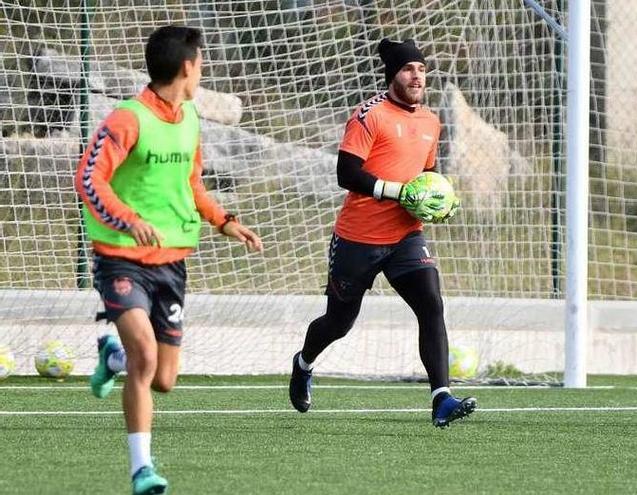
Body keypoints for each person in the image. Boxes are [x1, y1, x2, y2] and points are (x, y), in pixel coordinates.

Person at [75, 26, 262, 494]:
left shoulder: (190, 119)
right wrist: (127, 219)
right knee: (145, 358)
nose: (202, 70)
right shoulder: (127, 119)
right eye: (201, 62)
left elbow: (191, 184)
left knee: (164, 379)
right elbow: (88, 179)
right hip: (121, 259)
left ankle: (110, 355)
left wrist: (224, 220)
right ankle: (142, 469)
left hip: (172, 263)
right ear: (187, 66)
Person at [287, 38, 475, 428]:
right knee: (339, 323)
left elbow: (426, 176)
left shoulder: (430, 121)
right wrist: (397, 191)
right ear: (394, 74)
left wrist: (442, 199)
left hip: (407, 236)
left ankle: (441, 398)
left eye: (422, 69)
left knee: (431, 304)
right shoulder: (368, 115)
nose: (417, 76)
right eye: (409, 69)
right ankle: (303, 363)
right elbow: (346, 174)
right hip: (358, 238)